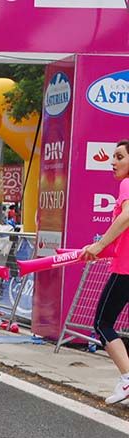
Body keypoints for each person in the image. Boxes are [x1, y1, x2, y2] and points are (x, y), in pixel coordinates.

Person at [82, 139, 129, 404]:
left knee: (102, 322)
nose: (113, 161)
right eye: (113, 156)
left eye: (120, 157)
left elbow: (126, 216)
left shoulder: (127, 184)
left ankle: (127, 378)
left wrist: (100, 244)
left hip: (126, 269)